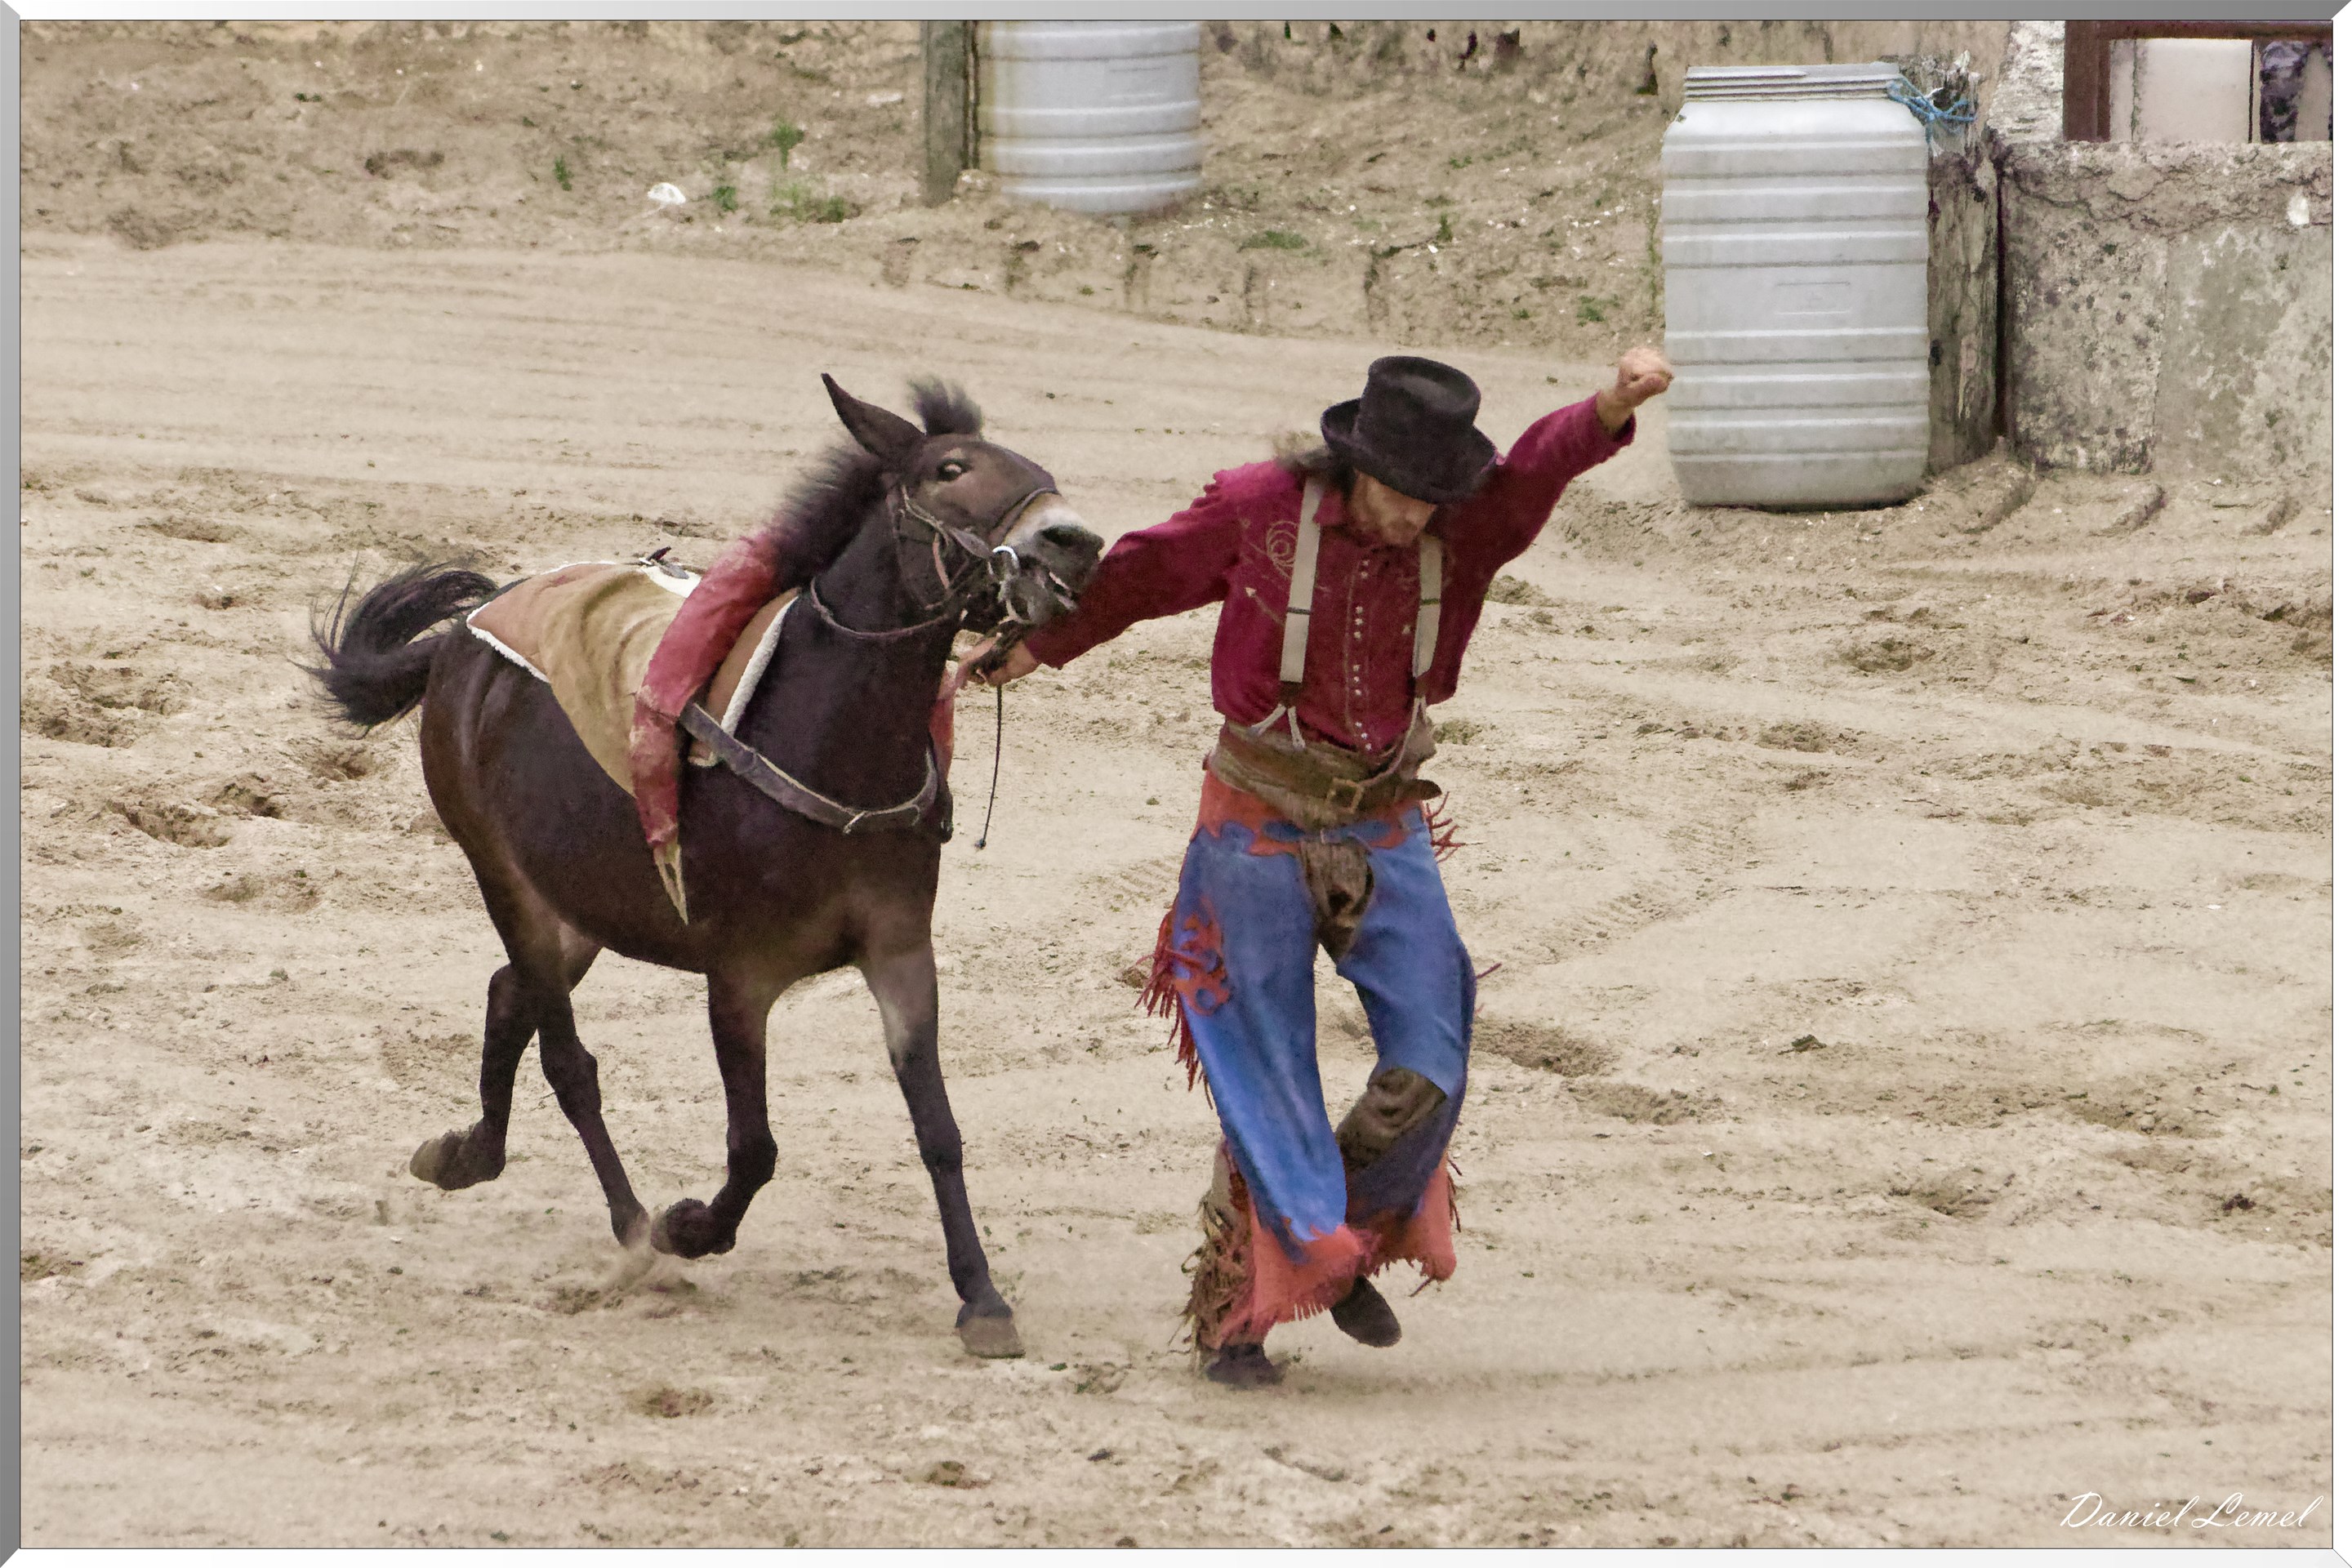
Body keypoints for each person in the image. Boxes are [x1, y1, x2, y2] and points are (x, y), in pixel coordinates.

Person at [991, 349, 1673, 1387]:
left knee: (1432, 1056)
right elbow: (1141, 574)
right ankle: (1239, 1325)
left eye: (1432, 501)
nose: (1413, 520)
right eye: (1401, 497)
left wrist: (1608, 408)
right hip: (1252, 819)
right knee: (1265, 1077)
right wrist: (1036, 648)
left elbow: (1536, 470)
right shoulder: (1259, 508)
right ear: (1353, 468)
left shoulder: (1465, 526)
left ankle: (1328, 1236)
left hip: (1383, 817)